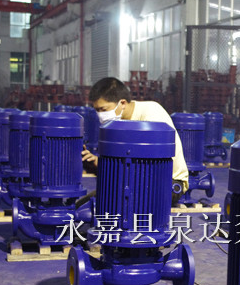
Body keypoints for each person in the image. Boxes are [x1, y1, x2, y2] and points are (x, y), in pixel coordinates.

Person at [81, 77, 189, 205]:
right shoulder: (117, 123)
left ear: (122, 103)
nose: (100, 115)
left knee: (108, 203)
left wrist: (105, 166)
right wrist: (95, 163)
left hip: (168, 184)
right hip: (136, 182)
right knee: (84, 205)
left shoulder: (151, 115)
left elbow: (148, 168)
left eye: (103, 110)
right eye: (97, 110)